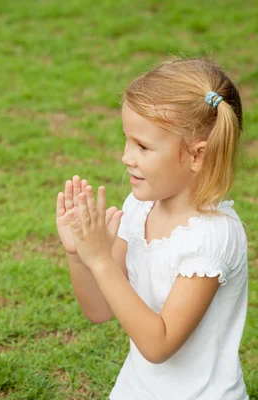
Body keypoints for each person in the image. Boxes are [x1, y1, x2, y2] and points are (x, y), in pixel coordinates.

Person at [56, 59, 248, 399]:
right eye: (127, 141)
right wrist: (80, 254)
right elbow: (99, 309)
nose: (126, 157)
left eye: (142, 146)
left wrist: (100, 259)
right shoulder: (140, 206)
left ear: (197, 156)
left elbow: (159, 344)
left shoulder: (212, 237)